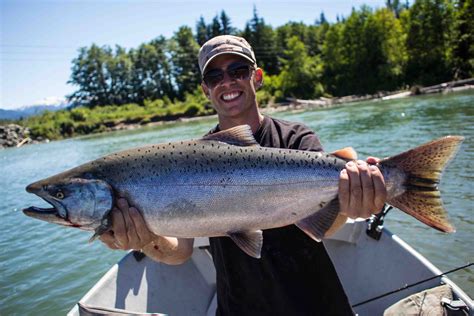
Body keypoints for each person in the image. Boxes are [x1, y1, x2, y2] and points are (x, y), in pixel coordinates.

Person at [99, 35, 387, 315]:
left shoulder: (296, 138)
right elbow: (180, 252)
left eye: (238, 70)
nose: (227, 82)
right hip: (238, 307)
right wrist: (146, 240)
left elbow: (323, 226)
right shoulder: (189, 160)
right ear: (205, 89)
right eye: (214, 76)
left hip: (316, 303)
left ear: (257, 77)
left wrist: (350, 204)